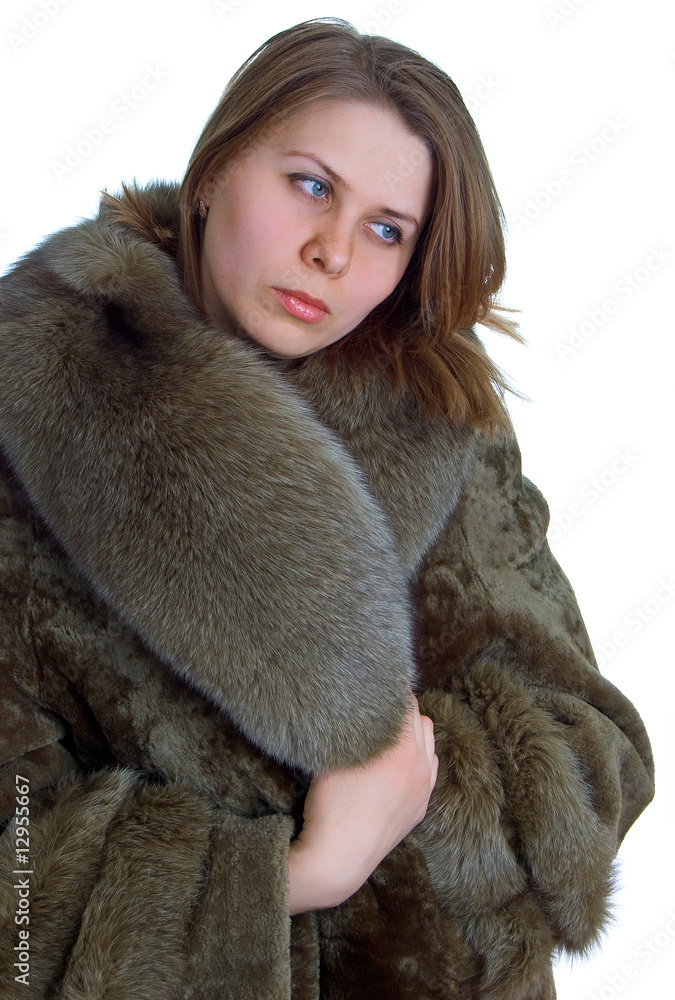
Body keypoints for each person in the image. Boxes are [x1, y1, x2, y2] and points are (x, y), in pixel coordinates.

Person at [0, 16, 653, 1000]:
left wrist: (418, 797)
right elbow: (14, 896)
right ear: (215, 168)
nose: (334, 252)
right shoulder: (26, 413)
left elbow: (595, 747)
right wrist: (291, 875)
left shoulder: (437, 412)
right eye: (311, 185)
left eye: (387, 229)